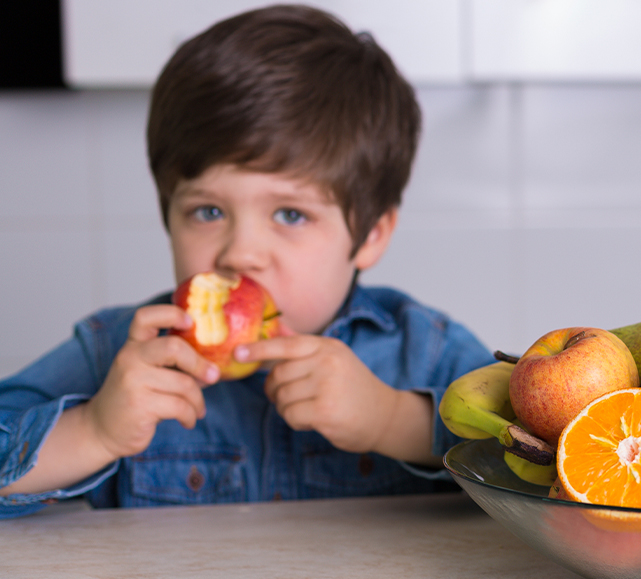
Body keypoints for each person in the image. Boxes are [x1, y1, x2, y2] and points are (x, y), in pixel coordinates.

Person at [0, 5, 493, 518]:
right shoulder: (120, 353)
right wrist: (92, 432)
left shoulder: (424, 350)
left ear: (371, 234)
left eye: (290, 214)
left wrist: (393, 421)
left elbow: (546, 459)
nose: (240, 253)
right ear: (167, 216)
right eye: (208, 211)